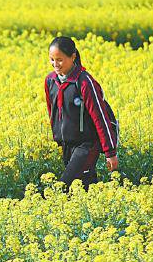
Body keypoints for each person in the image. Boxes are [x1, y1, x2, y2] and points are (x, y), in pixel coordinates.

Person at [44, 37, 119, 189]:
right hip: (67, 144)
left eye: (59, 60)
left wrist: (110, 152)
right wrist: (57, 136)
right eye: (52, 59)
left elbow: (100, 117)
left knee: (63, 187)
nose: (55, 64)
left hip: (87, 144)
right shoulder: (50, 80)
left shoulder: (84, 82)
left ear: (72, 57)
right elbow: (52, 110)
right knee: (85, 186)